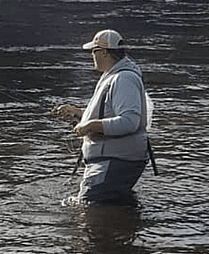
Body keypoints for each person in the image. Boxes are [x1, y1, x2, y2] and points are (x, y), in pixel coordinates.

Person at [52, 28, 151, 204]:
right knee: (110, 207)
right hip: (112, 160)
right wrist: (78, 114)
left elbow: (130, 122)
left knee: (88, 208)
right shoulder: (114, 75)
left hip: (115, 160)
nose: (92, 56)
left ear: (104, 52)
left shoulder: (123, 78)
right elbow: (109, 113)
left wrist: (89, 127)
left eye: (93, 51)